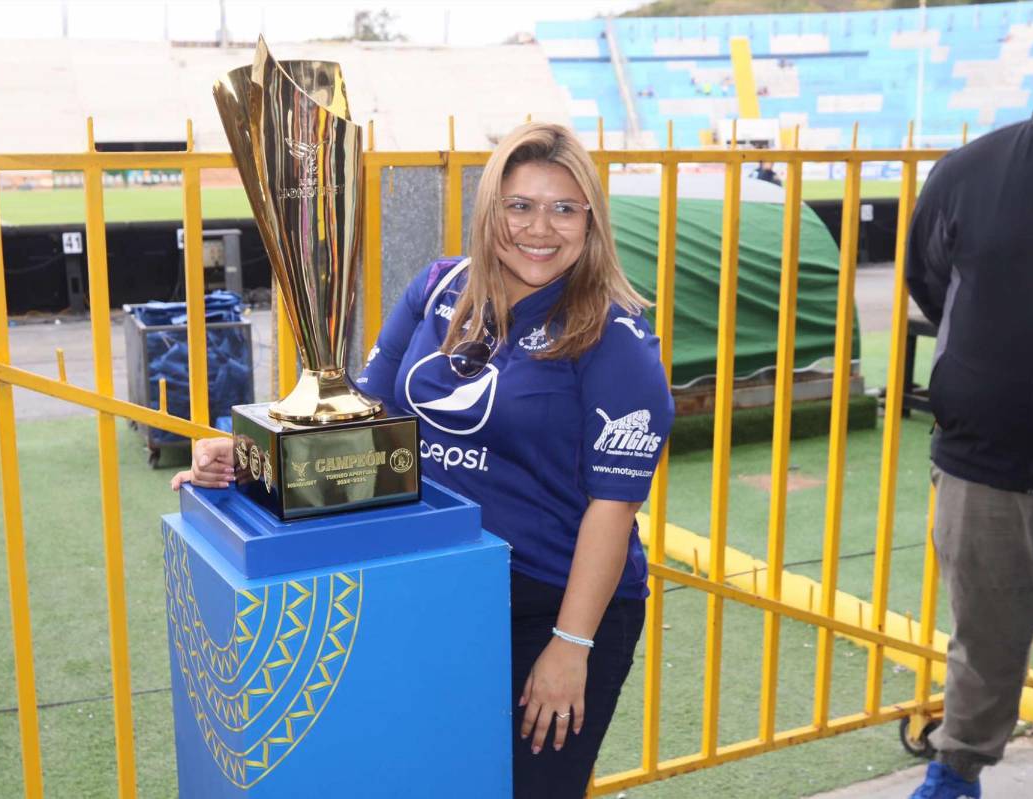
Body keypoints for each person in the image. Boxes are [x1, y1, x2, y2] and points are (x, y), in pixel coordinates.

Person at [173, 122, 674, 798]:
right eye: (519, 205)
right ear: (490, 208)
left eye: (564, 208)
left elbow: (613, 511)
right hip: (442, 582)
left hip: (555, 598)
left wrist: (571, 646)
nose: (540, 228)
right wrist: (247, 457)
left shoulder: (614, 337)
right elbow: (362, 419)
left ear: (591, 220)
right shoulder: (441, 286)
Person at [904, 3, 1033, 798]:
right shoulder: (967, 173)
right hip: (982, 472)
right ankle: (957, 773)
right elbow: (930, 282)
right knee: (980, 646)